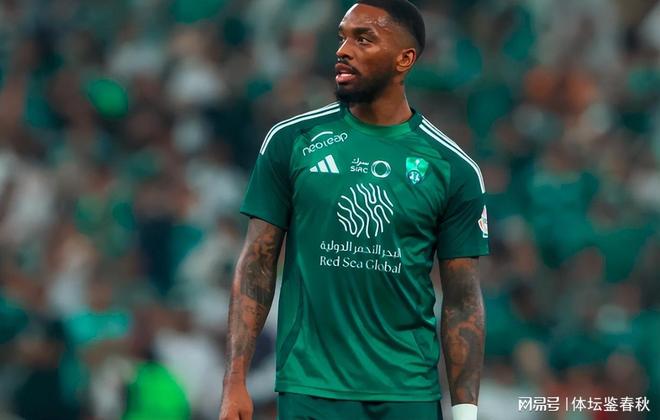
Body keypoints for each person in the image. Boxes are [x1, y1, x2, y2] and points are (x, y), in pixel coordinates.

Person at [220, 1, 488, 419]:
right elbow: (257, 262)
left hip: (408, 394)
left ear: (404, 59)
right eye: (343, 37)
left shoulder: (453, 167)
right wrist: (234, 381)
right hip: (311, 390)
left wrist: (466, 413)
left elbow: (462, 299)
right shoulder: (293, 141)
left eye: (363, 39)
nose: (343, 50)